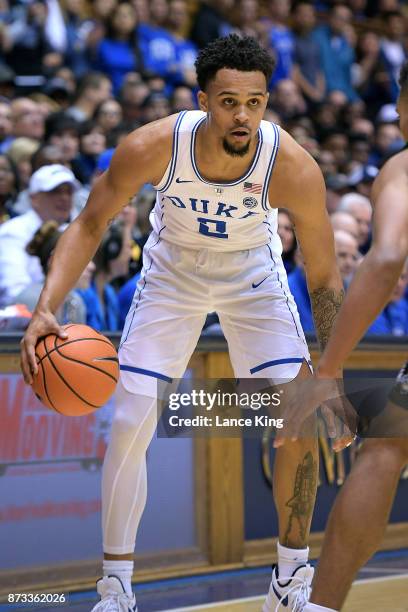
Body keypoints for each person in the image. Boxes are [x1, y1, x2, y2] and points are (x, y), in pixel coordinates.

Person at [20, 35, 346, 612]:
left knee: (301, 408)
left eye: (254, 101)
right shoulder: (154, 146)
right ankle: (116, 587)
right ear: (203, 100)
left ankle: (290, 582)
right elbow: (91, 222)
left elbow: (322, 276)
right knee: (129, 417)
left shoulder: (292, 165)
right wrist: (48, 304)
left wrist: (334, 374)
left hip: (254, 277)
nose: (242, 114)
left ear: (267, 101)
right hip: (173, 275)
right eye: (227, 102)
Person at [297, 60, 408, 612]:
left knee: (386, 447)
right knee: (392, 438)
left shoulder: (404, 166)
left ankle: (319, 608)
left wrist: (331, 365)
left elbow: (386, 257)